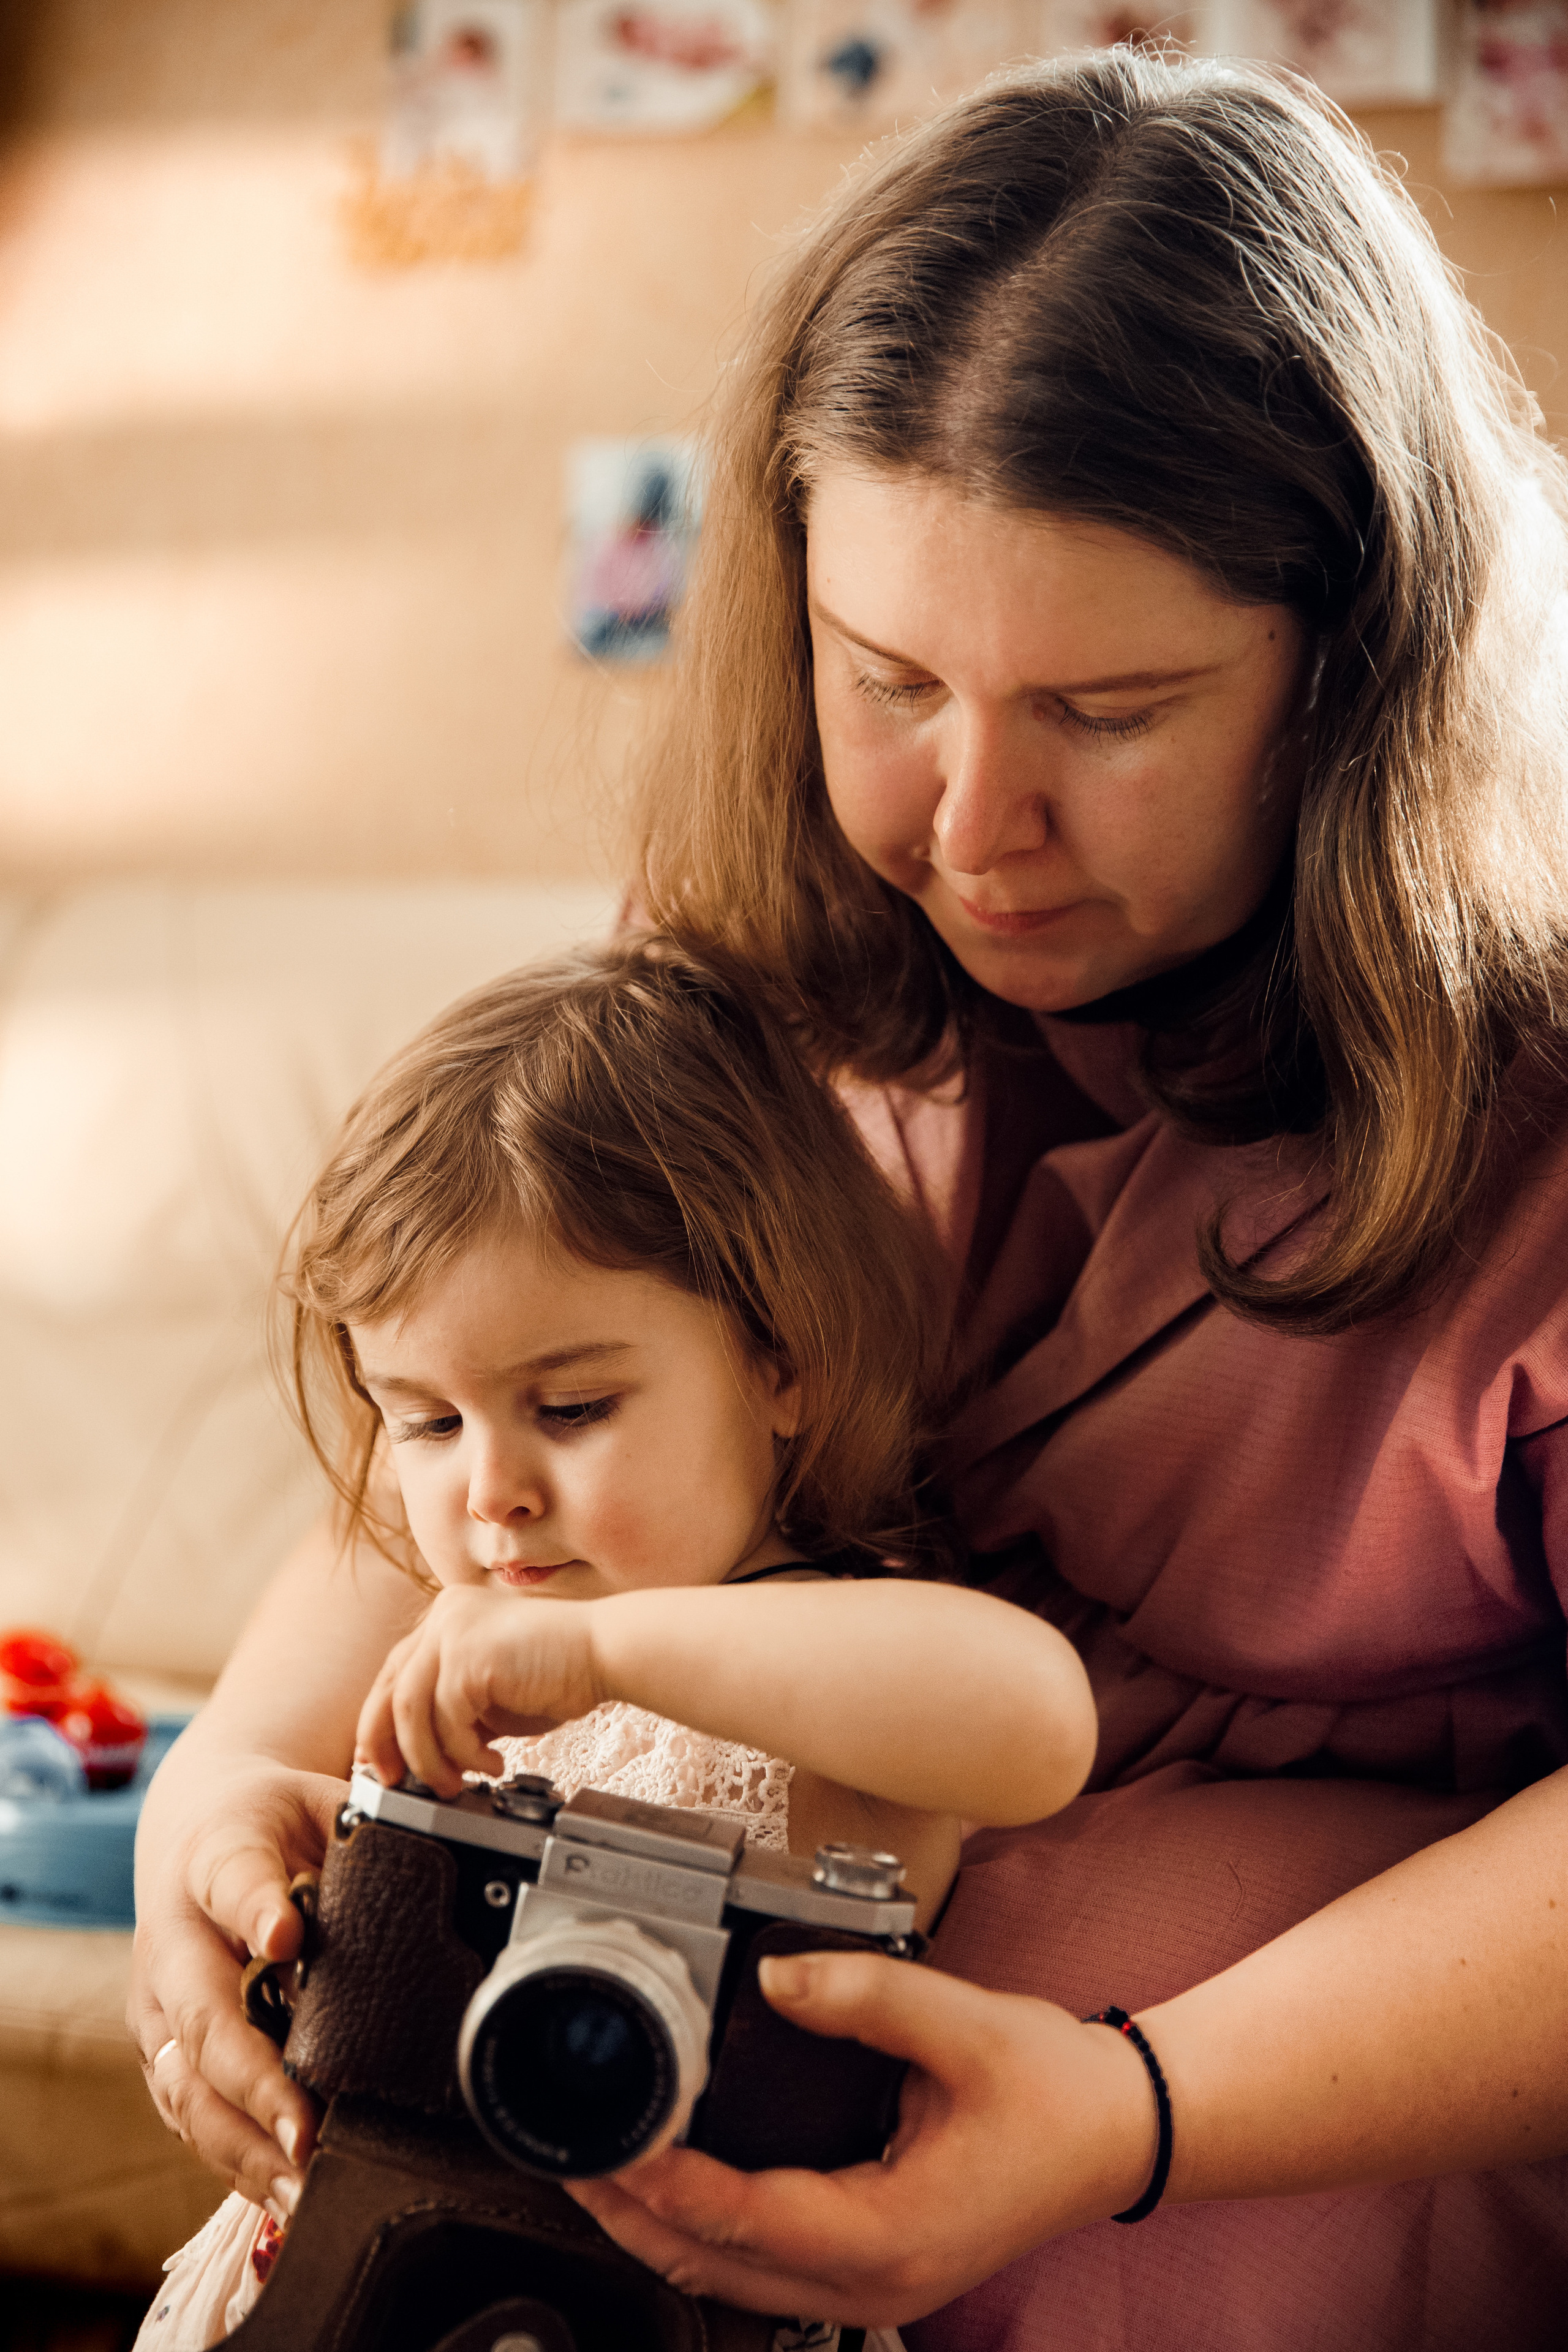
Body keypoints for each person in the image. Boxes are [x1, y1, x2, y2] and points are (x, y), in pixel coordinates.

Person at [130, 44, 1568, 2351]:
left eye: (1110, 712)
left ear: (1354, 681)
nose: (968, 822)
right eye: (888, 676)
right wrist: (223, 1789)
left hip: (1274, 2194)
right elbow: (493, 1383)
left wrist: (1136, 2108)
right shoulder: (763, 955)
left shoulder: (1537, 1114)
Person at [130, 941, 1096, 2350]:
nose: (489, 1492)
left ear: (783, 1362)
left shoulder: (827, 1654)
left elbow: (1034, 1721)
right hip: (351, 2262)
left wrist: (608, 1658)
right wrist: (224, 1841)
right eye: (426, 1420)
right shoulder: (446, 1610)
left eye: (571, 1407)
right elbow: (243, 1771)